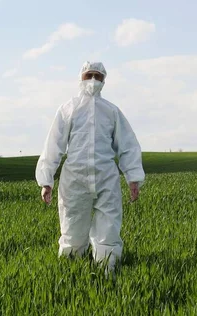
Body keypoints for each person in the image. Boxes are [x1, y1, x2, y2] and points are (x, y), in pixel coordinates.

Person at [35, 61, 145, 274]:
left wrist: (133, 177)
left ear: (104, 80)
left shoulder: (112, 111)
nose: (93, 80)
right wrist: (46, 180)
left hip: (106, 177)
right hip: (74, 178)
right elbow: (53, 144)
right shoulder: (68, 109)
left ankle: (107, 271)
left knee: (109, 228)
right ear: (81, 78)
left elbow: (127, 145)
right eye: (89, 75)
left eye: (98, 76)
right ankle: (71, 274)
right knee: (72, 228)